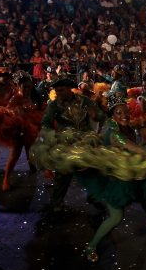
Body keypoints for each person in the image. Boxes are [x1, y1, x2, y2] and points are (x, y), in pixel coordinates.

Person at [82, 95, 146, 262]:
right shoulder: (115, 134)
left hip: (132, 172)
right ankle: (90, 246)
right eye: (119, 113)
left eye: (127, 112)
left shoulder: (127, 128)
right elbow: (137, 150)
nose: (124, 116)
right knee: (116, 216)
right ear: (112, 115)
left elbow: (136, 147)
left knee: (145, 196)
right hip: (117, 179)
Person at [40, 78, 106, 213]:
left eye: (61, 90)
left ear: (69, 89)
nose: (58, 93)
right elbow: (46, 123)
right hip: (66, 143)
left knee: (92, 170)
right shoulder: (54, 105)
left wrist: (96, 115)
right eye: (56, 91)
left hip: (86, 142)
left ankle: (93, 196)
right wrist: (51, 136)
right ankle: (57, 203)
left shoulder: (84, 101)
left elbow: (100, 115)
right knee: (63, 174)